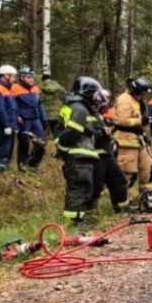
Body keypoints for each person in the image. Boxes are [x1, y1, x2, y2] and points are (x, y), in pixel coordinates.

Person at [56, 77, 102, 223]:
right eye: (95, 95)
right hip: (77, 156)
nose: (97, 100)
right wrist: (62, 150)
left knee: (84, 187)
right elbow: (71, 133)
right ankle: (74, 223)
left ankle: (81, 219)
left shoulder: (78, 107)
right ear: (87, 93)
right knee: (79, 189)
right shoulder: (79, 109)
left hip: (81, 155)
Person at [88, 89, 129, 213]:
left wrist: (112, 140)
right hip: (94, 155)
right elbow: (85, 134)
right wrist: (102, 132)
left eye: (105, 100)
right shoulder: (85, 114)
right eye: (101, 100)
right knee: (96, 186)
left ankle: (121, 209)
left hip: (107, 154)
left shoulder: (100, 115)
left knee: (119, 180)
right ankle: (89, 214)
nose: (103, 103)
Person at [112, 77, 152, 192]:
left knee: (148, 168)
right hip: (126, 140)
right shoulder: (124, 100)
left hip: (139, 139)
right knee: (128, 173)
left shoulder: (137, 100)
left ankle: (146, 197)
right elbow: (122, 120)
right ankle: (124, 202)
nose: (143, 96)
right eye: (142, 93)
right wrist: (141, 121)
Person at [11, 67, 48, 173]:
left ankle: (33, 165)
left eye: (32, 77)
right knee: (24, 142)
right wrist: (16, 116)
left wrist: (44, 119)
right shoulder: (15, 88)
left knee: (41, 142)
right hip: (23, 119)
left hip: (35, 119)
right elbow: (12, 105)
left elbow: (40, 105)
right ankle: (22, 165)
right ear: (22, 77)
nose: (31, 79)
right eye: (29, 77)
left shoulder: (35, 89)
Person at [0, 65, 19, 173]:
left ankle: (5, 169)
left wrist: (14, 123)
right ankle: (0, 171)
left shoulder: (7, 89)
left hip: (9, 125)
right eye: (13, 77)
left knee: (8, 149)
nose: (14, 79)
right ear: (6, 75)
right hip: (2, 126)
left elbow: (12, 108)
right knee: (2, 149)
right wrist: (6, 125)